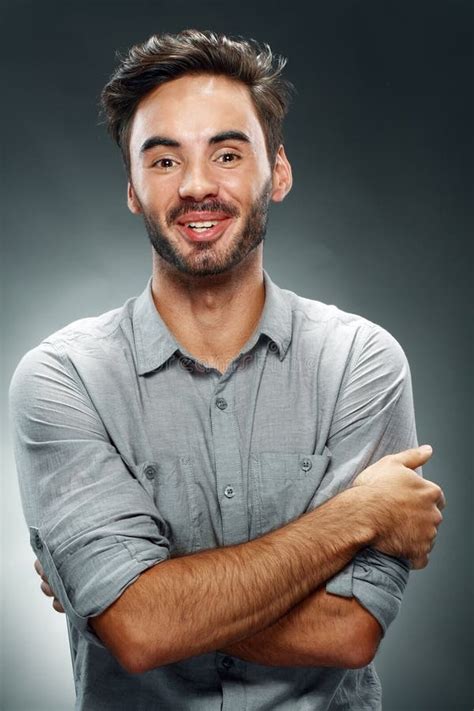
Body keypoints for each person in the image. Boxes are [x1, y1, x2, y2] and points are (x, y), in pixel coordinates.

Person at [9, 29, 445, 711]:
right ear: (131, 188)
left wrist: (133, 597)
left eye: (228, 153)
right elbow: (137, 629)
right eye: (163, 161)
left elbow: (351, 629)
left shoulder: (362, 361)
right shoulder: (62, 380)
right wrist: (355, 517)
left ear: (279, 169)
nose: (196, 186)